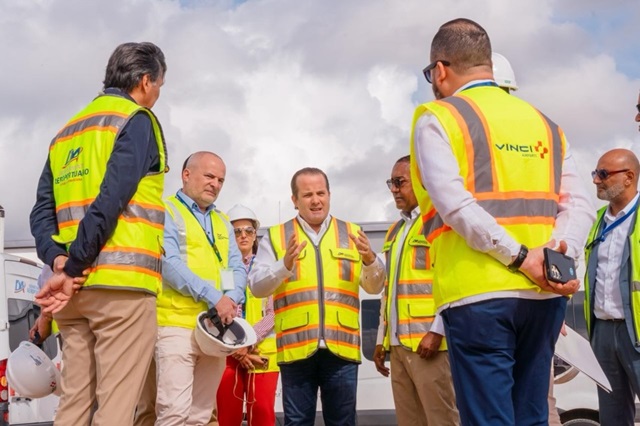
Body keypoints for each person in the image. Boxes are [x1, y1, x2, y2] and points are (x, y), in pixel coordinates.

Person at [410, 19, 594, 425]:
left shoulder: (438, 117)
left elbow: (456, 205)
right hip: (545, 294)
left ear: (440, 70)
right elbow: (579, 206)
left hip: (478, 294)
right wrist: (556, 256)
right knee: (532, 415)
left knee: (488, 418)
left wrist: (522, 257)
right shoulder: (545, 124)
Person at [29, 42, 168, 426]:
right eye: (160, 85)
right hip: (121, 287)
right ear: (145, 81)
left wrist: (60, 261)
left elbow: (41, 212)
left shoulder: (66, 133)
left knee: (73, 404)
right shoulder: (136, 120)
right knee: (116, 407)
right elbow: (110, 201)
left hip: (72, 297)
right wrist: (74, 267)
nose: (158, 93)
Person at [248, 167, 385, 426]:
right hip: (296, 350)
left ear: (329, 195)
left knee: (343, 422)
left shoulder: (352, 233)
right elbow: (256, 287)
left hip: (342, 349)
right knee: (297, 422)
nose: (315, 200)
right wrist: (283, 265)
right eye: (307, 194)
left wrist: (370, 260)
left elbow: (374, 287)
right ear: (294, 200)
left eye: (321, 193)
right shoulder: (277, 236)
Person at [493, 50, 564, 426]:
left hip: (502, 297)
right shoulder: (545, 135)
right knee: (533, 407)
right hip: (538, 295)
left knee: (522, 407)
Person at [154, 152, 247, 425]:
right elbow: (168, 264)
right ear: (186, 175)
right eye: (209, 176)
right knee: (174, 413)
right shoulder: (166, 210)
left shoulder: (222, 221)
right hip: (176, 326)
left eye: (220, 180)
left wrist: (231, 298)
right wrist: (216, 298)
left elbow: (236, 267)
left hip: (216, 329)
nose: (215, 184)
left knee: (201, 416)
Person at [373, 155, 459, 425]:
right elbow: (388, 292)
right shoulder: (394, 231)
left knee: (442, 420)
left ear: (422, 181)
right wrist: (381, 339)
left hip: (430, 346)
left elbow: (452, 281)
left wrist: (437, 331)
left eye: (400, 182)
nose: (393, 189)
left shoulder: (441, 222)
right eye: (391, 182)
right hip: (398, 347)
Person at [584, 148, 640, 426]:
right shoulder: (595, 221)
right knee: (612, 418)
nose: (596, 180)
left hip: (636, 332)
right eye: (595, 173)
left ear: (629, 177)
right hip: (603, 332)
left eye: (603, 174)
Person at [217, 204, 279, 426]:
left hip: (262, 354)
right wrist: (238, 350)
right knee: (226, 416)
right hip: (228, 355)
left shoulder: (267, 269)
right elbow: (218, 310)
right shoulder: (221, 269)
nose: (243, 235)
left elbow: (273, 313)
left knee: (262, 414)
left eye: (248, 231)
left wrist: (247, 343)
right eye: (236, 231)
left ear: (255, 235)